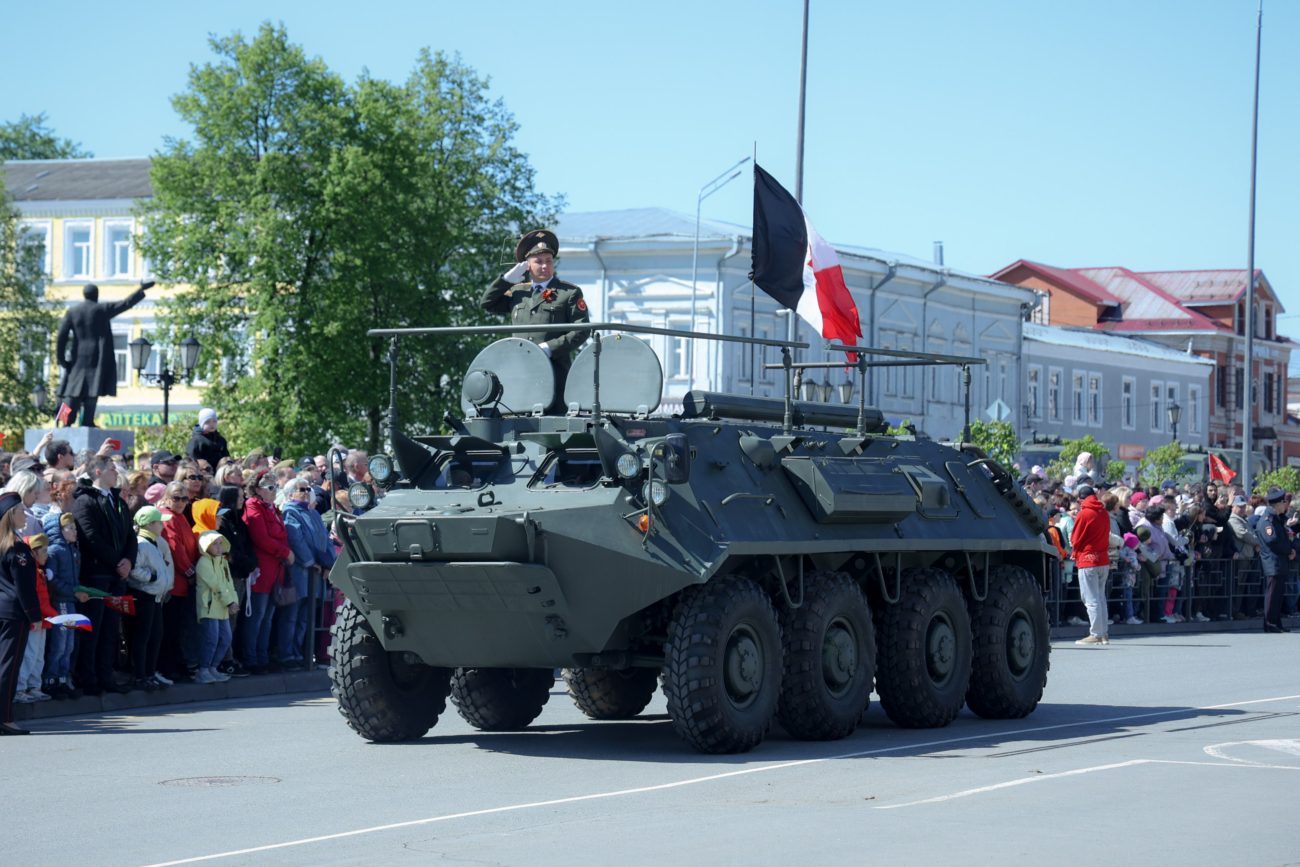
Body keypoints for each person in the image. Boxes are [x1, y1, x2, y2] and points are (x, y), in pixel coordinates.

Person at [480, 228, 592, 411]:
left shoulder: (568, 293)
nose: (545, 266)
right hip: (521, 374)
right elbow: (487, 303)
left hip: (554, 373)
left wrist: (549, 348)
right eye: (538, 262)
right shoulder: (518, 292)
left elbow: (582, 330)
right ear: (527, 266)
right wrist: (506, 280)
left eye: (548, 261)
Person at [70, 455, 137, 696]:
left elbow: (130, 535)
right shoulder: (85, 501)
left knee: (111, 628)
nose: (115, 473)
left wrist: (129, 560)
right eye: (111, 469)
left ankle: (105, 675)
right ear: (97, 472)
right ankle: (89, 678)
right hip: (97, 575)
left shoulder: (117, 500)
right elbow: (90, 537)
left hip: (118, 575)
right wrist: (117, 560)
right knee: (93, 628)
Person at [53, 281, 149, 426]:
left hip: (77, 357)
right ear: (96, 296)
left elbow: (61, 337)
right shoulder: (101, 309)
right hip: (96, 356)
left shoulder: (72, 312)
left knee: (71, 392)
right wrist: (141, 290)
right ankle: (87, 421)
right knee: (92, 389)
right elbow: (126, 303)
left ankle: (65, 422)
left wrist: (61, 359)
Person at [281, 478, 336, 670]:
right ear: (290, 495)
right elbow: (295, 539)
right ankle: (288, 656)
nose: (306, 492)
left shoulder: (313, 512)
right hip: (300, 573)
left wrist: (329, 564)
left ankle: (301, 654)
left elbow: (327, 539)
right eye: (301, 489)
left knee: (305, 618)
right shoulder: (289, 511)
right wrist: (311, 562)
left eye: (307, 489)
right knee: (291, 617)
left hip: (316, 575)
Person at [243, 472, 293, 675]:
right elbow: (260, 538)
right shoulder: (253, 505)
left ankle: (262, 658)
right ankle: (250, 659)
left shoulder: (272, 508)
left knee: (267, 617)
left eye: (276, 487)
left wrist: (285, 552)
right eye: (270, 487)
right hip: (262, 570)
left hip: (276, 570)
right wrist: (285, 552)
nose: (274, 491)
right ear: (257, 489)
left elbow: (281, 535)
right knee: (257, 615)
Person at [0, 493, 41, 734]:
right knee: (8, 667)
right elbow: (24, 588)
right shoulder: (18, 548)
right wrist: (34, 616)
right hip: (13, 614)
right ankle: (4, 718)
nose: (24, 514)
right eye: (20, 511)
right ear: (9, 517)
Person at [127, 506, 175, 692]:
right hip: (143, 595)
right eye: (159, 521)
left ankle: (149, 673)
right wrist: (153, 578)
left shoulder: (152, 542)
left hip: (154, 597)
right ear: (149, 524)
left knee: (156, 636)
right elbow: (134, 569)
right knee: (143, 636)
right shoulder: (141, 543)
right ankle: (140, 676)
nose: (163, 525)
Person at [157, 482, 199, 683]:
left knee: (177, 627)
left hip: (183, 582)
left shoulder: (180, 516)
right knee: (169, 628)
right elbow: (175, 548)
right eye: (176, 497)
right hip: (175, 582)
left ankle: (174, 664)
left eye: (184, 498)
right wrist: (191, 572)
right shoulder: (168, 517)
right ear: (166, 498)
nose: (181, 502)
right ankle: (167, 667)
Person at [40, 511, 85, 699]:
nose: (75, 531)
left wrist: (81, 592)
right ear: (59, 530)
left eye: (75, 527)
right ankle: (51, 681)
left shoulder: (73, 550)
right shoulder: (54, 551)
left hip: (71, 603)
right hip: (62, 604)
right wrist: (73, 592)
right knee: (59, 644)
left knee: (69, 645)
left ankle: (62, 679)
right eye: (70, 528)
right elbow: (53, 581)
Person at [216, 485, 256, 678]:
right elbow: (230, 553)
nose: (243, 500)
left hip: (241, 575)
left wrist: (252, 561)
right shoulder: (223, 522)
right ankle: (226, 661)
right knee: (229, 620)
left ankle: (230, 657)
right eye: (240, 497)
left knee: (234, 621)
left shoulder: (238, 521)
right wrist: (248, 563)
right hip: (231, 576)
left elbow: (247, 545)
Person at [13, 534, 58, 703]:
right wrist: (57, 616)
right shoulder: (32, 572)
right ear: (33, 552)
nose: (47, 555)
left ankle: (34, 686)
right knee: (29, 654)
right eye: (44, 551)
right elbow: (37, 601)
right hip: (35, 621)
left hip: (43, 621)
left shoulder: (40, 571)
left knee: (38, 655)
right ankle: (19, 688)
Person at [194, 531, 238, 684]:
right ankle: (203, 670)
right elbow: (216, 585)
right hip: (210, 607)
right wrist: (230, 602)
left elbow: (228, 582)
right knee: (211, 639)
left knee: (226, 638)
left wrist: (234, 600)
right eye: (215, 544)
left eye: (220, 543)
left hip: (223, 606)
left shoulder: (223, 561)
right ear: (206, 546)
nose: (219, 547)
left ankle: (213, 668)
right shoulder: (203, 563)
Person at [1070, 485, 1111, 645]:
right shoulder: (1105, 513)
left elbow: (1076, 538)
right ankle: (1103, 634)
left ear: (1080, 499)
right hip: (1103, 559)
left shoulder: (1083, 513)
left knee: (1091, 598)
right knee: (1100, 597)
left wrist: (1075, 552)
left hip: (1087, 559)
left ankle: (1095, 634)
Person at [1256, 489, 1293, 633]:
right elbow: (1272, 540)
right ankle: (1270, 623)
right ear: (1278, 504)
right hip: (1273, 561)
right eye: (1284, 502)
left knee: (1278, 595)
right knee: (1272, 594)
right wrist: (1289, 551)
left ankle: (1276, 622)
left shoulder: (1276, 519)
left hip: (1279, 561)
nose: (1286, 505)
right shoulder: (1268, 520)